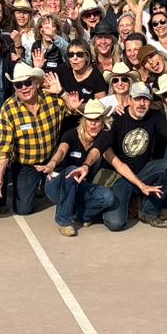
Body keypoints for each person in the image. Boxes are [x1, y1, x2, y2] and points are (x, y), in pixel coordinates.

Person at [101, 81, 167, 231]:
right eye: (138, 99)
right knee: (115, 223)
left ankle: (148, 211)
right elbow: (103, 148)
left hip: (143, 171)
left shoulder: (154, 116)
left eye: (146, 99)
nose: (142, 104)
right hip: (120, 177)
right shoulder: (117, 118)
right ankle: (126, 200)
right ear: (129, 100)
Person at [0, 63, 70, 215]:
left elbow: (75, 109)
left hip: (53, 158)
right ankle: (33, 184)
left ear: (36, 83)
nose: (23, 88)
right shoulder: (8, 109)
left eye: (27, 83)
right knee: (23, 210)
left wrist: (62, 93)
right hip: (27, 164)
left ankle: (46, 182)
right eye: (18, 85)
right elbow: (4, 149)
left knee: (64, 196)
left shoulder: (52, 98)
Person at [41, 99, 118, 236]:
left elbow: (117, 163)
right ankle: (63, 221)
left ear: (103, 122)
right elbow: (61, 151)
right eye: (90, 119)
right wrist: (52, 163)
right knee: (73, 170)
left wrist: (140, 184)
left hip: (80, 185)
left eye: (97, 119)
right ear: (84, 120)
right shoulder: (71, 134)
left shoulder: (103, 140)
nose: (93, 123)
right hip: (57, 184)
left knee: (108, 197)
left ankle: (79, 214)